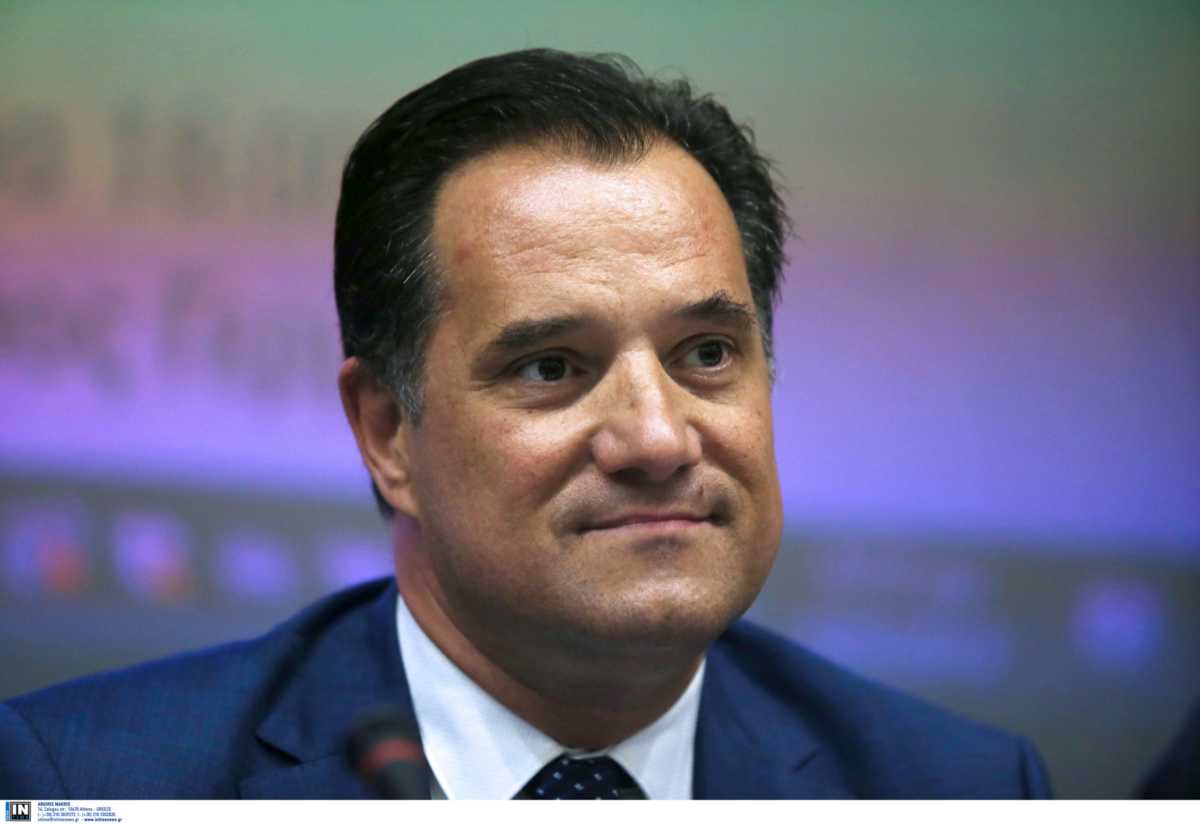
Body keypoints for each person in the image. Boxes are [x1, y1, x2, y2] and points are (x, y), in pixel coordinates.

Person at [0, 49, 1052, 799]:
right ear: (387, 433)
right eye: (553, 366)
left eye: (705, 354)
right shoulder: (85, 782)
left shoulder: (962, 787)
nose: (658, 438)